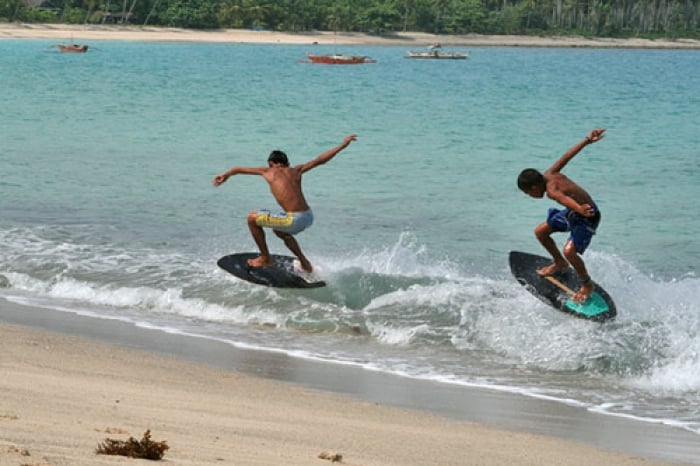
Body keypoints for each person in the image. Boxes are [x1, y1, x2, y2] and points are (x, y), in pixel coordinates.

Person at [213, 134, 357, 273]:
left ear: (271, 163)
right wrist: (342, 145)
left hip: (293, 219)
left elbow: (238, 169)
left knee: (251, 219)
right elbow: (320, 160)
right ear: (287, 163)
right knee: (279, 230)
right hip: (308, 217)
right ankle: (305, 263)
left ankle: (265, 258)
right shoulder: (297, 170)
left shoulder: (268, 171)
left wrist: (225, 175)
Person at [516, 128, 606, 303]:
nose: (530, 197)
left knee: (570, 251)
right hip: (574, 212)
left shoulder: (551, 191)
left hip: (587, 216)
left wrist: (580, 210)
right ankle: (560, 263)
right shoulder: (550, 174)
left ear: (534, 188)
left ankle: (587, 284)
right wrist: (587, 140)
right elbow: (566, 157)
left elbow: (563, 198)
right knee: (541, 231)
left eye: (528, 193)